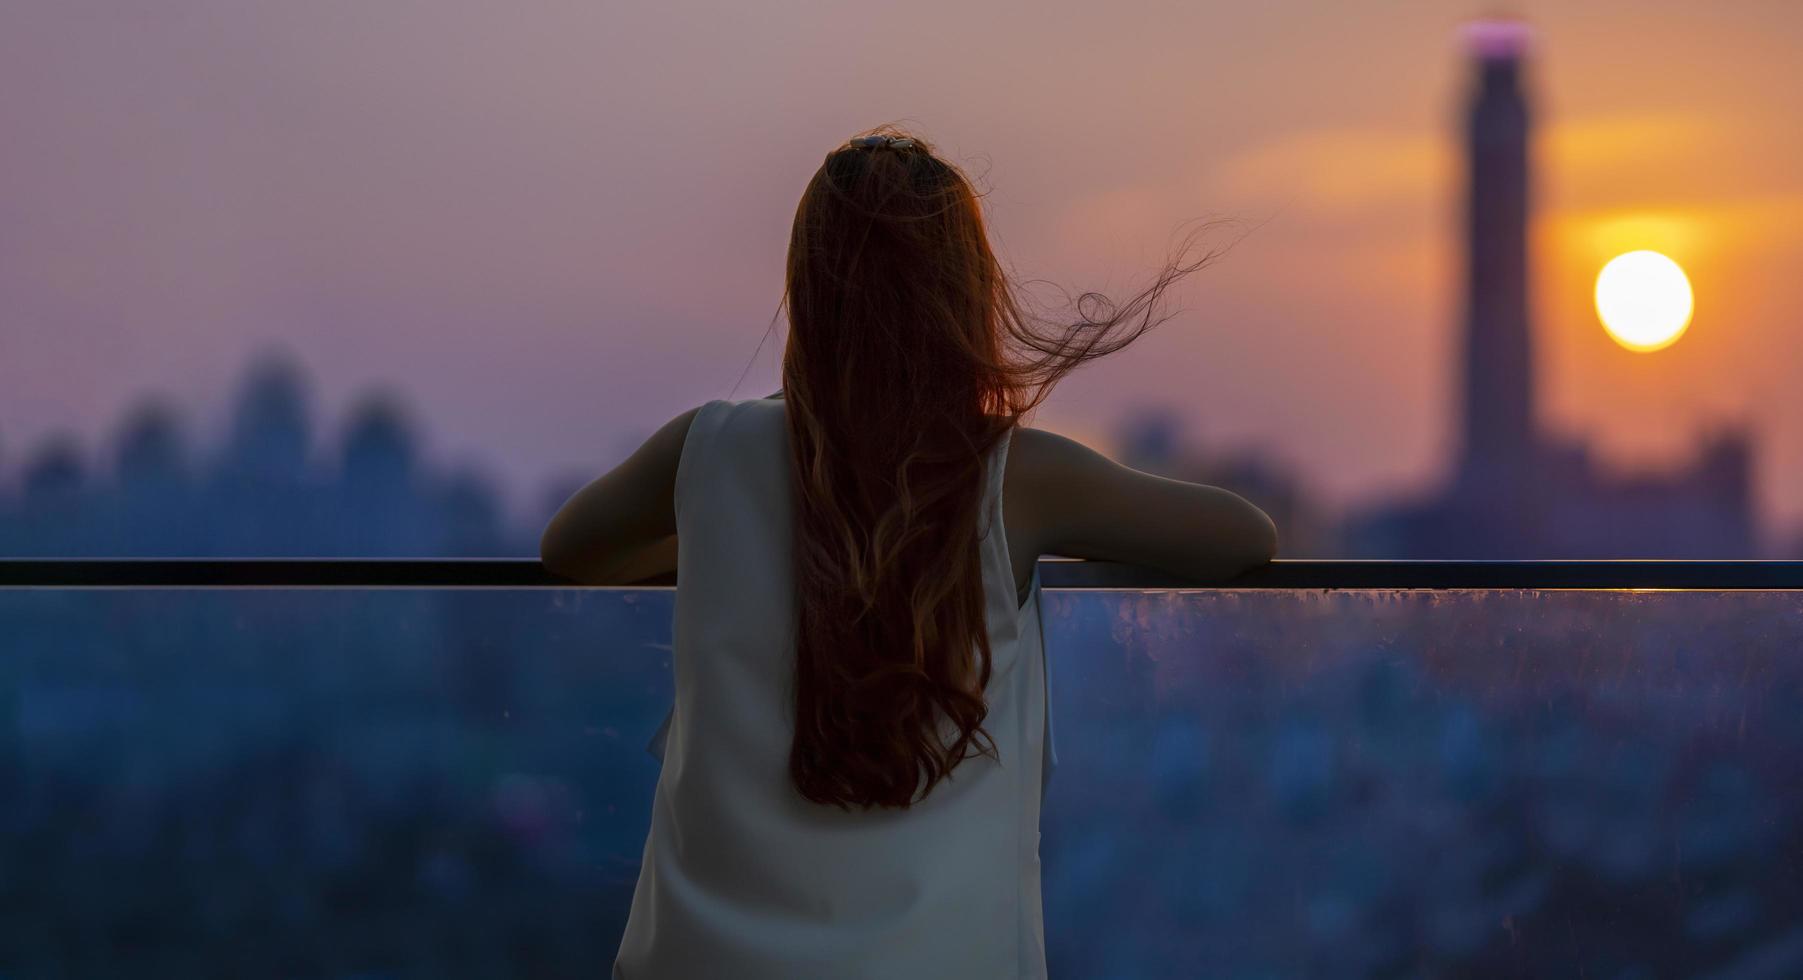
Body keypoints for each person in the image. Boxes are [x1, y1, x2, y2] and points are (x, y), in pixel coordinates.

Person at [539, 127, 1277, 979]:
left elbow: (570, 552)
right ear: (965, 293)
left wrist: (724, 555)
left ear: (808, 292)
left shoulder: (706, 449)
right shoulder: (1012, 475)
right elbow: (1243, 536)